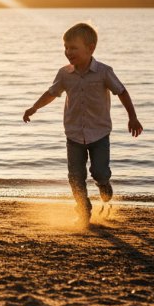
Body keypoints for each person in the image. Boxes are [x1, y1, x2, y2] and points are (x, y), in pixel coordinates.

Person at [22, 22, 143, 224]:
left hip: (99, 134)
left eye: (73, 48)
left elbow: (121, 91)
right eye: (66, 47)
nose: (68, 52)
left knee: (99, 171)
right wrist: (34, 108)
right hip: (74, 135)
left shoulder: (104, 72)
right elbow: (51, 93)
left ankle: (104, 184)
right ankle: (83, 210)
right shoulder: (64, 74)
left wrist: (132, 117)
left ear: (90, 48)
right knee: (75, 177)